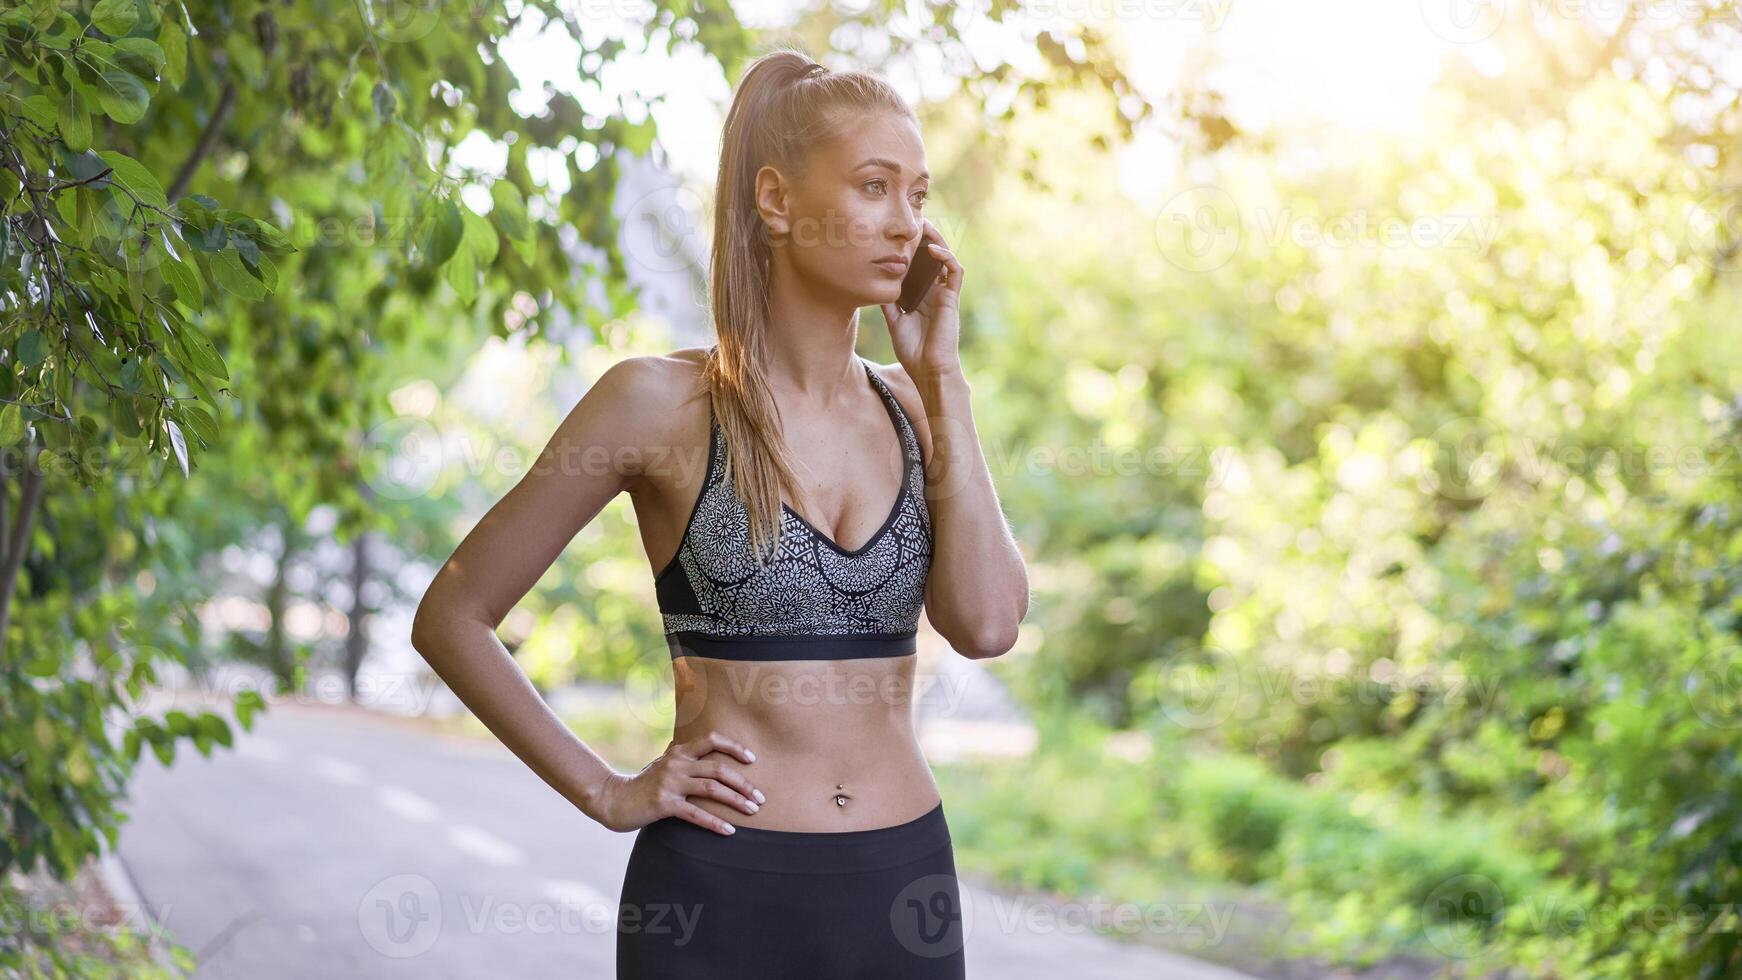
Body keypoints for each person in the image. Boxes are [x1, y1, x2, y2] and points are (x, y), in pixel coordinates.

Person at [411, 45, 1028, 980]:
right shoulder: (657, 404)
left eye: (918, 194)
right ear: (775, 201)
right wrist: (608, 791)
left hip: (900, 890)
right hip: (717, 895)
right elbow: (453, 616)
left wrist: (945, 381)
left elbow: (986, 624)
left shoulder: (917, 407)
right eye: (873, 186)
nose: (905, 224)